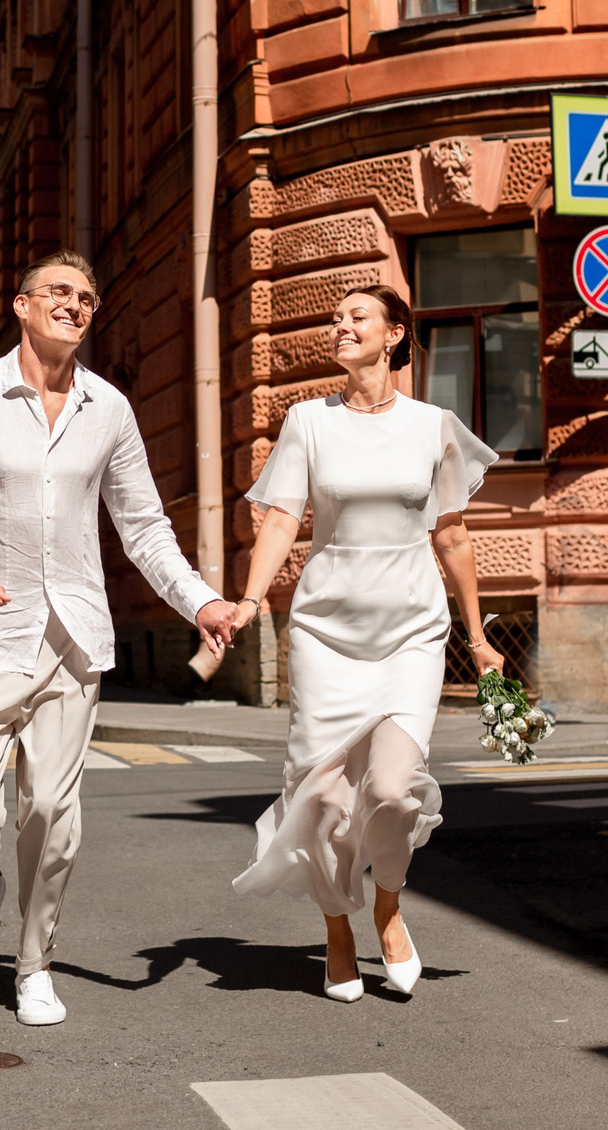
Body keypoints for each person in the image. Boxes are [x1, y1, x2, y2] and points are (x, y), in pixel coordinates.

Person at [0, 251, 235, 1028]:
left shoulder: (107, 409)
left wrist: (200, 602)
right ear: (20, 304)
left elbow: (142, 526)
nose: (75, 306)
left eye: (86, 298)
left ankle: (35, 961)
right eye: (59, 293)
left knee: (52, 810)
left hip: (72, 641)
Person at [226, 284, 500, 1001]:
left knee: (390, 792)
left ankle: (386, 904)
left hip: (411, 628)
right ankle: (337, 928)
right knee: (323, 800)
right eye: (336, 316)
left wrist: (479, 637)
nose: (339, 325)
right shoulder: (306, 423)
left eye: (356, 317)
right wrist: (252, 600)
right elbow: (283, 520)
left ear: (394, 334)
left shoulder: (432, 425)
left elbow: (453, 534)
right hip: (325, 629)